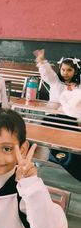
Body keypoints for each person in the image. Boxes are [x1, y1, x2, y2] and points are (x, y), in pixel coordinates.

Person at [34, 49, 81, 181]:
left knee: (70, 145)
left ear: (75, 72)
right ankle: (42, 160)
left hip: (68, 120)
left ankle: (71, 165)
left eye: (69, 70)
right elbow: (47, 73)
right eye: (63, 69)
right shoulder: (55, 82)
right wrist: (41, 61)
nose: (65, 73)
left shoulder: (78, 87)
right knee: (46, 141)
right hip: (51, 118)